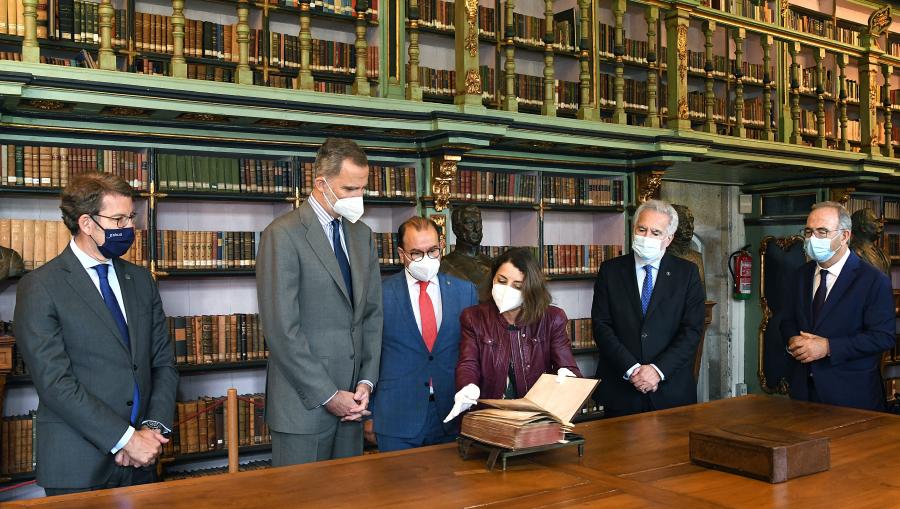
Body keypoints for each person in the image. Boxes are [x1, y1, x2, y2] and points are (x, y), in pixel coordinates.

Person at [13, 173, 178, 496]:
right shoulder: (40, 287)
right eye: (118, 219)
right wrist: (126, 439)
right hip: (77, 465)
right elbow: (55, 383)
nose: (128, 228)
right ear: (86, 223)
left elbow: (163, 364)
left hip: (142, 461)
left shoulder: (141, 280)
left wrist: (149, 432)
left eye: (130, 217)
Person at [256, 138, 383, 466]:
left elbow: (371, 314)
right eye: (350, 189)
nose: (358, 198)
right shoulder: (282, 235)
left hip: (353, 406)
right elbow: (282, 330)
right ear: (321, 184)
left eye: (362, 188)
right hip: (304, 408)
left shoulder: (362, 235)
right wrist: (329, 395)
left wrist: (366, 382)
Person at [369, 216, 478, 451]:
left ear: (442, 247)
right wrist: (367, 415)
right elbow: (368, 354)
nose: (426, 259)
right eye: (417, 253)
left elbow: (471, 353)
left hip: (450, 415)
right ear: (402, 254)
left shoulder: (465, 292)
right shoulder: (379, 293)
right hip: (396, 416)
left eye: (433, 251)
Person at [591, 199, 706, 417]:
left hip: (670, 390)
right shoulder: (610, 271)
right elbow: (601, 326)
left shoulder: (687, 274)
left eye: (655, 232)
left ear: (668, 238)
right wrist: (632, 370)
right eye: (641, 229)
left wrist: (657, 371)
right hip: (621, 389)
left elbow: (691, 331)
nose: (646, 237)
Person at [782, 201, 894, 411]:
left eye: (822, 232)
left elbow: (883, 337)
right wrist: (793, 341)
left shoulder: (873, 280)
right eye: (809, 232)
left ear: (844, 236)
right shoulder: (799, 276)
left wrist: (828, 347)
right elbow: (786, 320)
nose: (813, 239)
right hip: (802, 395)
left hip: (851, 397)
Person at [446, 248, 582, 422]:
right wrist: (467, 387)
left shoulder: (552, 318)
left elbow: (568, 365)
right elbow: (468, 362)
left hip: (536, 419)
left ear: (531, 289)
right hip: (491, 418)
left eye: (517, 286)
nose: (506, 290)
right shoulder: (474, 317)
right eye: (501, 281)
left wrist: (567, 375)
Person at [439, 205, 493, 301]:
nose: (476, 229)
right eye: (469, 223)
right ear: (456, 229)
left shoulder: (493, 263)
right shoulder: (444, 265)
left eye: (479, 223)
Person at [849, 207, 890, 276]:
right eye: (875, 221)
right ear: (863, 227)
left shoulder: (883, 253)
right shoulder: (853, 253)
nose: (881, 225)